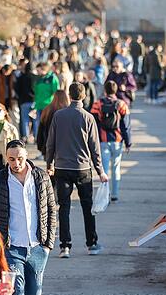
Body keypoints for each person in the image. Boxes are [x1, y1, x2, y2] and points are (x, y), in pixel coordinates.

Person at [0, 139, 55, 295]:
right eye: (12, 159)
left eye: (20, 158)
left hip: (38, 247)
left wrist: (48, 244)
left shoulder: (41, 177)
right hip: (11, 248)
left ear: (27, 156)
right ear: (6, 158)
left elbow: (51, 210)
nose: (16, 163)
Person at [46, 83, 108, 258]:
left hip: (62, 167)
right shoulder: (88, 117)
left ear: (69, 95)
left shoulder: (58, 116)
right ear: (84, 96)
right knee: (87, 207)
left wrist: (49, 163)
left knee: (63, 207)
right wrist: (100, 171)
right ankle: (92, 243)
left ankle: (65, 246)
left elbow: (50, 143)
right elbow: (95, 148)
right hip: (83, 168)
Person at [90, 81, 131, 201]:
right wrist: (128, 142)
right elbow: (126, 125)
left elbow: (94, 124)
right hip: (117, 140)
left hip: (103, 140)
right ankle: (115, 194)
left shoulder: (97, 104)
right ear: (116, 90)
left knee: (104, 169)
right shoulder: (121, 104)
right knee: (116, 168)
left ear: (105, 90)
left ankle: (105, 194)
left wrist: (93, 141)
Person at [36, 90, 69, 157]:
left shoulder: (47, 110)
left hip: (48, 146)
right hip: (64, 148)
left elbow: (41, 130)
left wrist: (40, 146)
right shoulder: (68, 112)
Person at [31, 62, 59, 141]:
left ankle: (49, 140)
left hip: (48, 106)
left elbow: (56, 92)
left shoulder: (52, 77)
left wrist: (54, 104)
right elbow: (36, 94)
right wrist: (35, 106)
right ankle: (40, 141)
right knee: (40, 125)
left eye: (38, 70)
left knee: (48, 125)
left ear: (44, 69)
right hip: (39, 106)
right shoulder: (39, 79)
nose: (37, 72)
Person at [15, 62, 36, 141]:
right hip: (34, 101)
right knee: (35, 120)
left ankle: (25, 137)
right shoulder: (34, 77)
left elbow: (16, 89)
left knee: (25, 120)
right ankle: (36, 136)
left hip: (23, 101)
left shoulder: (21, 77)